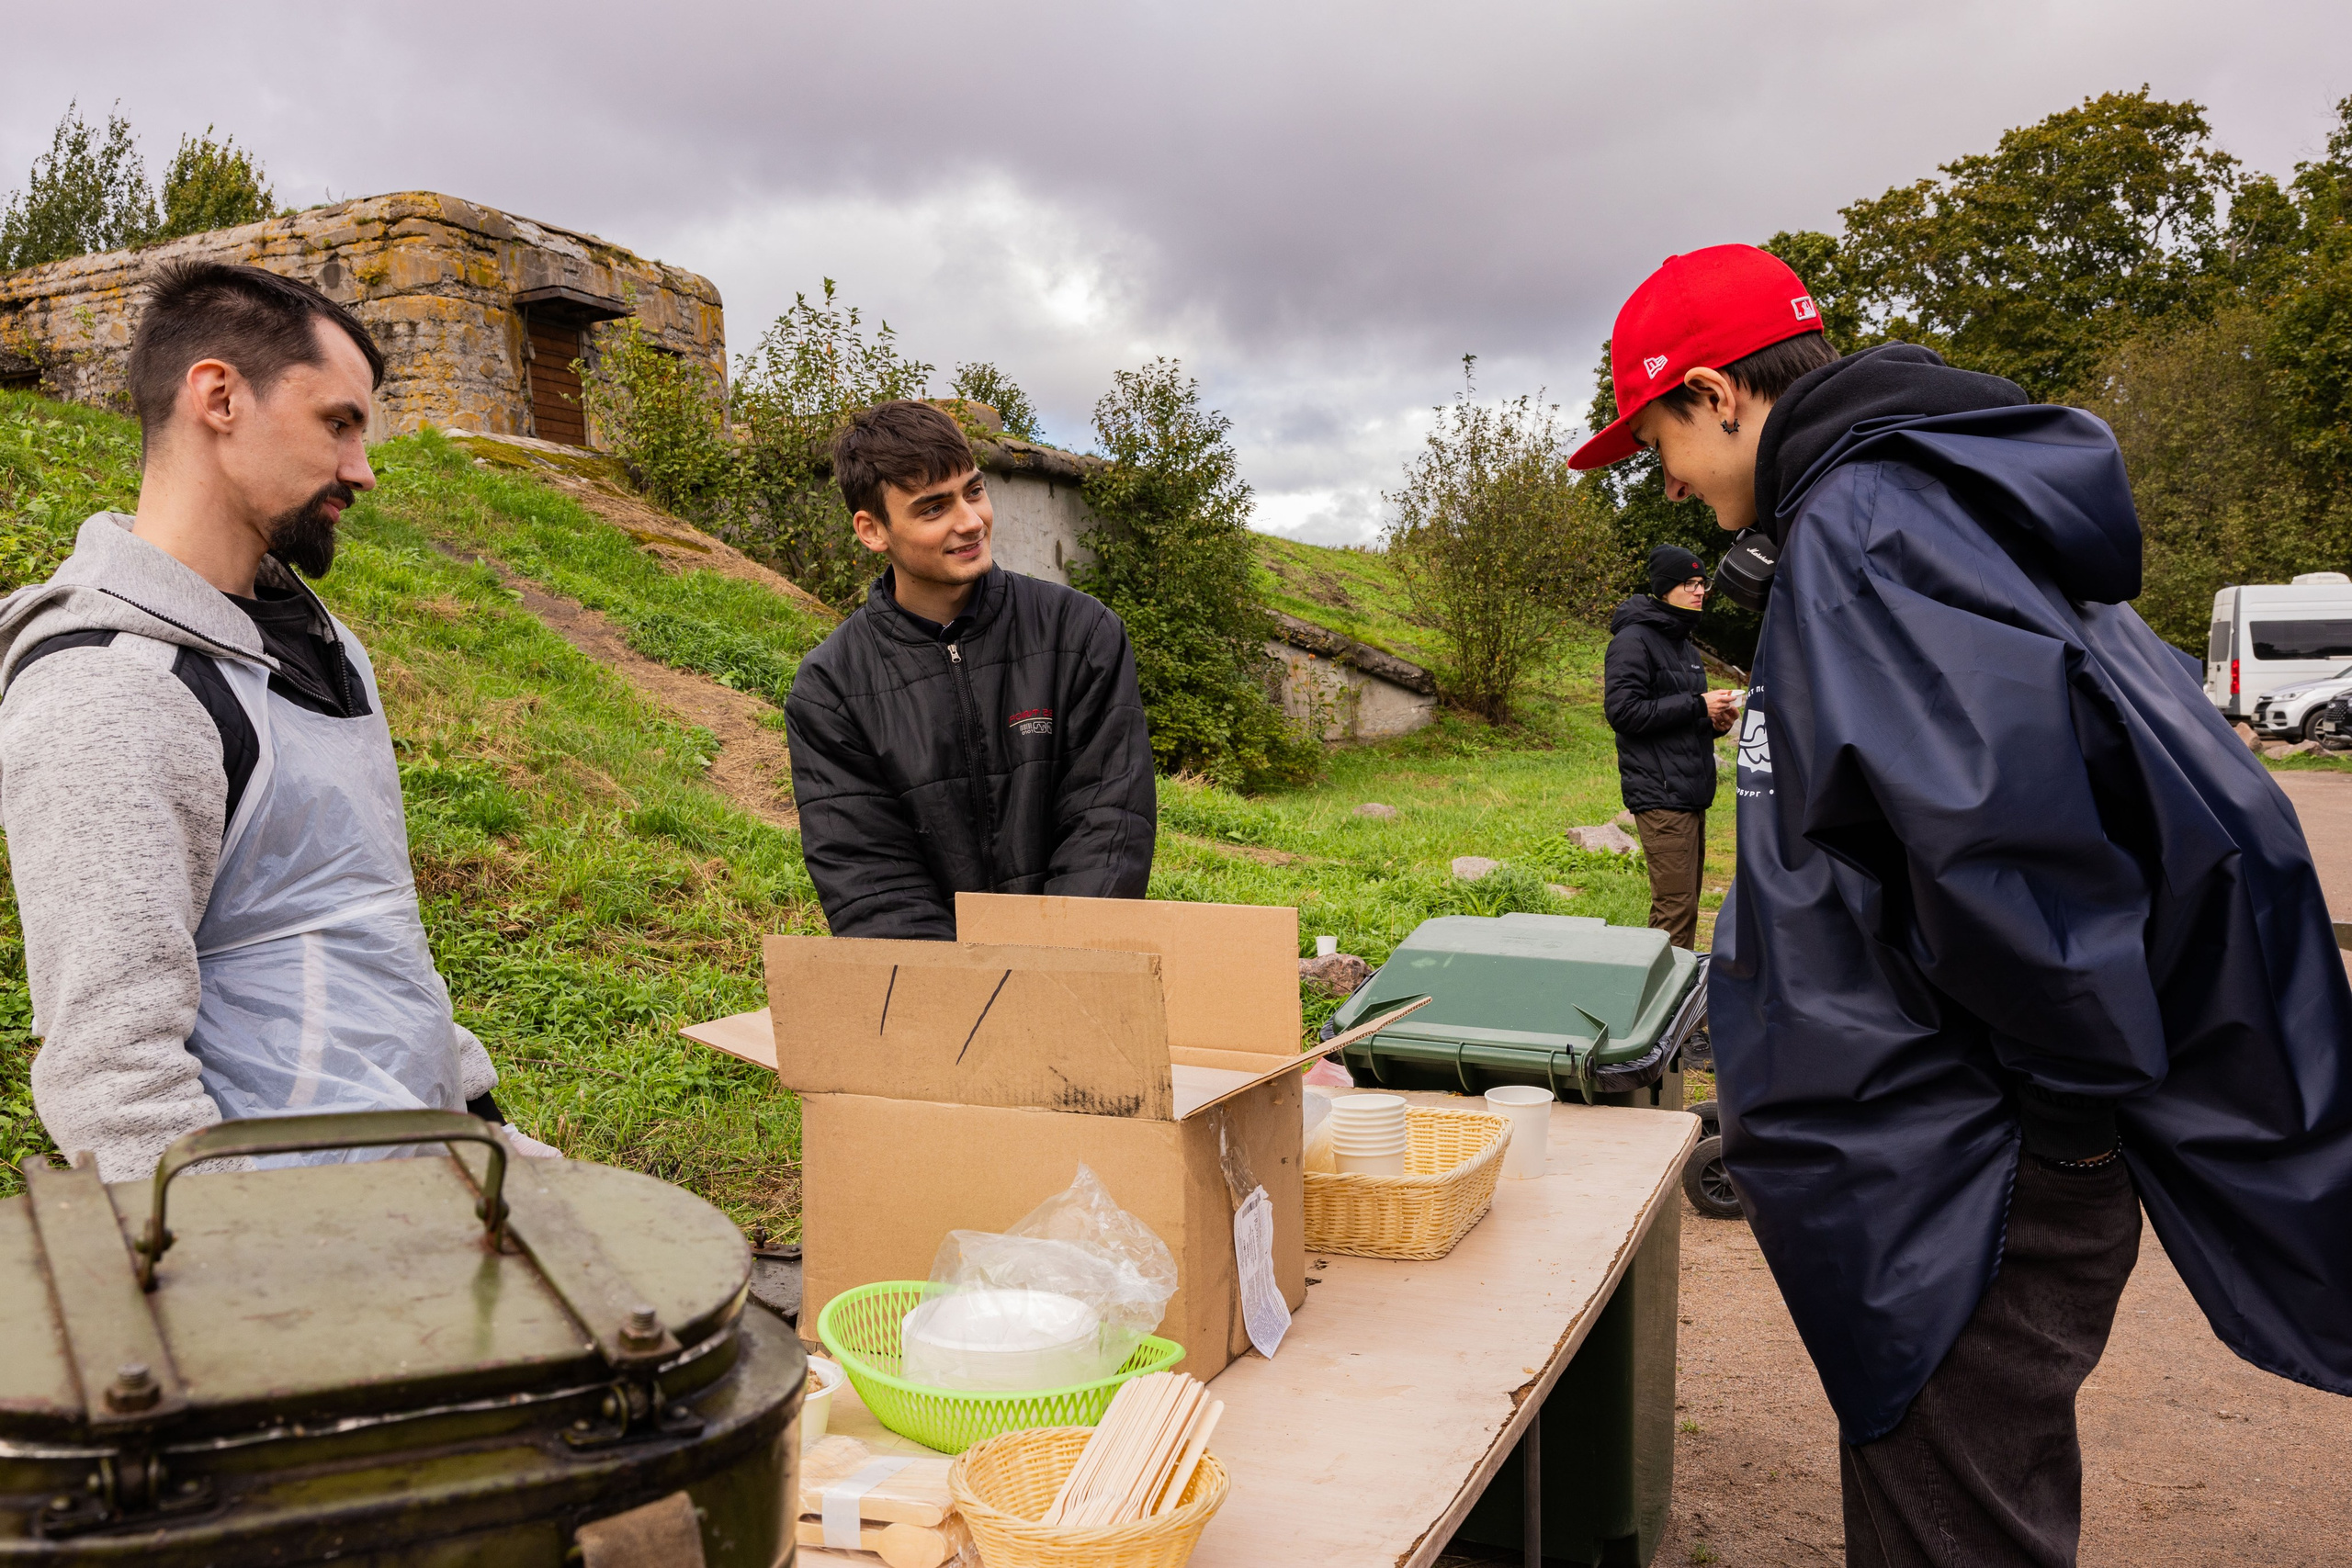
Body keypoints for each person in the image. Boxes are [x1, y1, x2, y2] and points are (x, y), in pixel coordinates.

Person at [1570, 244, 2352, 1566]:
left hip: (1964, 1164)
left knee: (1957, 1527)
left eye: (1657, 444)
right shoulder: (1901, 510)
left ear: (1717, 393)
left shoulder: (1870, 528)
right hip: (1949, 1146)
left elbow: (2009, 851)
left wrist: (2049, 1116)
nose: (1671, 484)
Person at [0, 262, 542, 1181]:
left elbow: (362, 928)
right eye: (338, 422)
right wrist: (252, 1287)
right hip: (292, 1248)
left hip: (436, 1177)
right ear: (218, 397)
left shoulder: (323, 647)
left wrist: (490, 1136)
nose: (362, 470)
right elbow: (114, 1080)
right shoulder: (111, 688)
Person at [786, 400, 1155, 939]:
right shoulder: (831, 689)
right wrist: (959, 997)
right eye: (933, 508)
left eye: (974, 491)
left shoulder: (1081, 633)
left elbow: (1109, 828)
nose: (970, 521)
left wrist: (1053, 970)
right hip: (934, 997)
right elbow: (868, 878)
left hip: (1077, 974)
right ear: (872, 530)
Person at [1604, 544, 1737, 948]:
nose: (1700, 591)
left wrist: (1714, 720)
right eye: (1689, 584)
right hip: (1660, 793)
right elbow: (1624, 713)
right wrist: (1697, 703)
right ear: (1665, 589)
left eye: (1702, 583)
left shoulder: (1685, 646)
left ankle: (1675, 1002)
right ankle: (1662, 1009)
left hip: (1690, 791)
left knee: (1686, 905)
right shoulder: (1633, 640)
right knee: (1674, 910)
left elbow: (1676, 717)